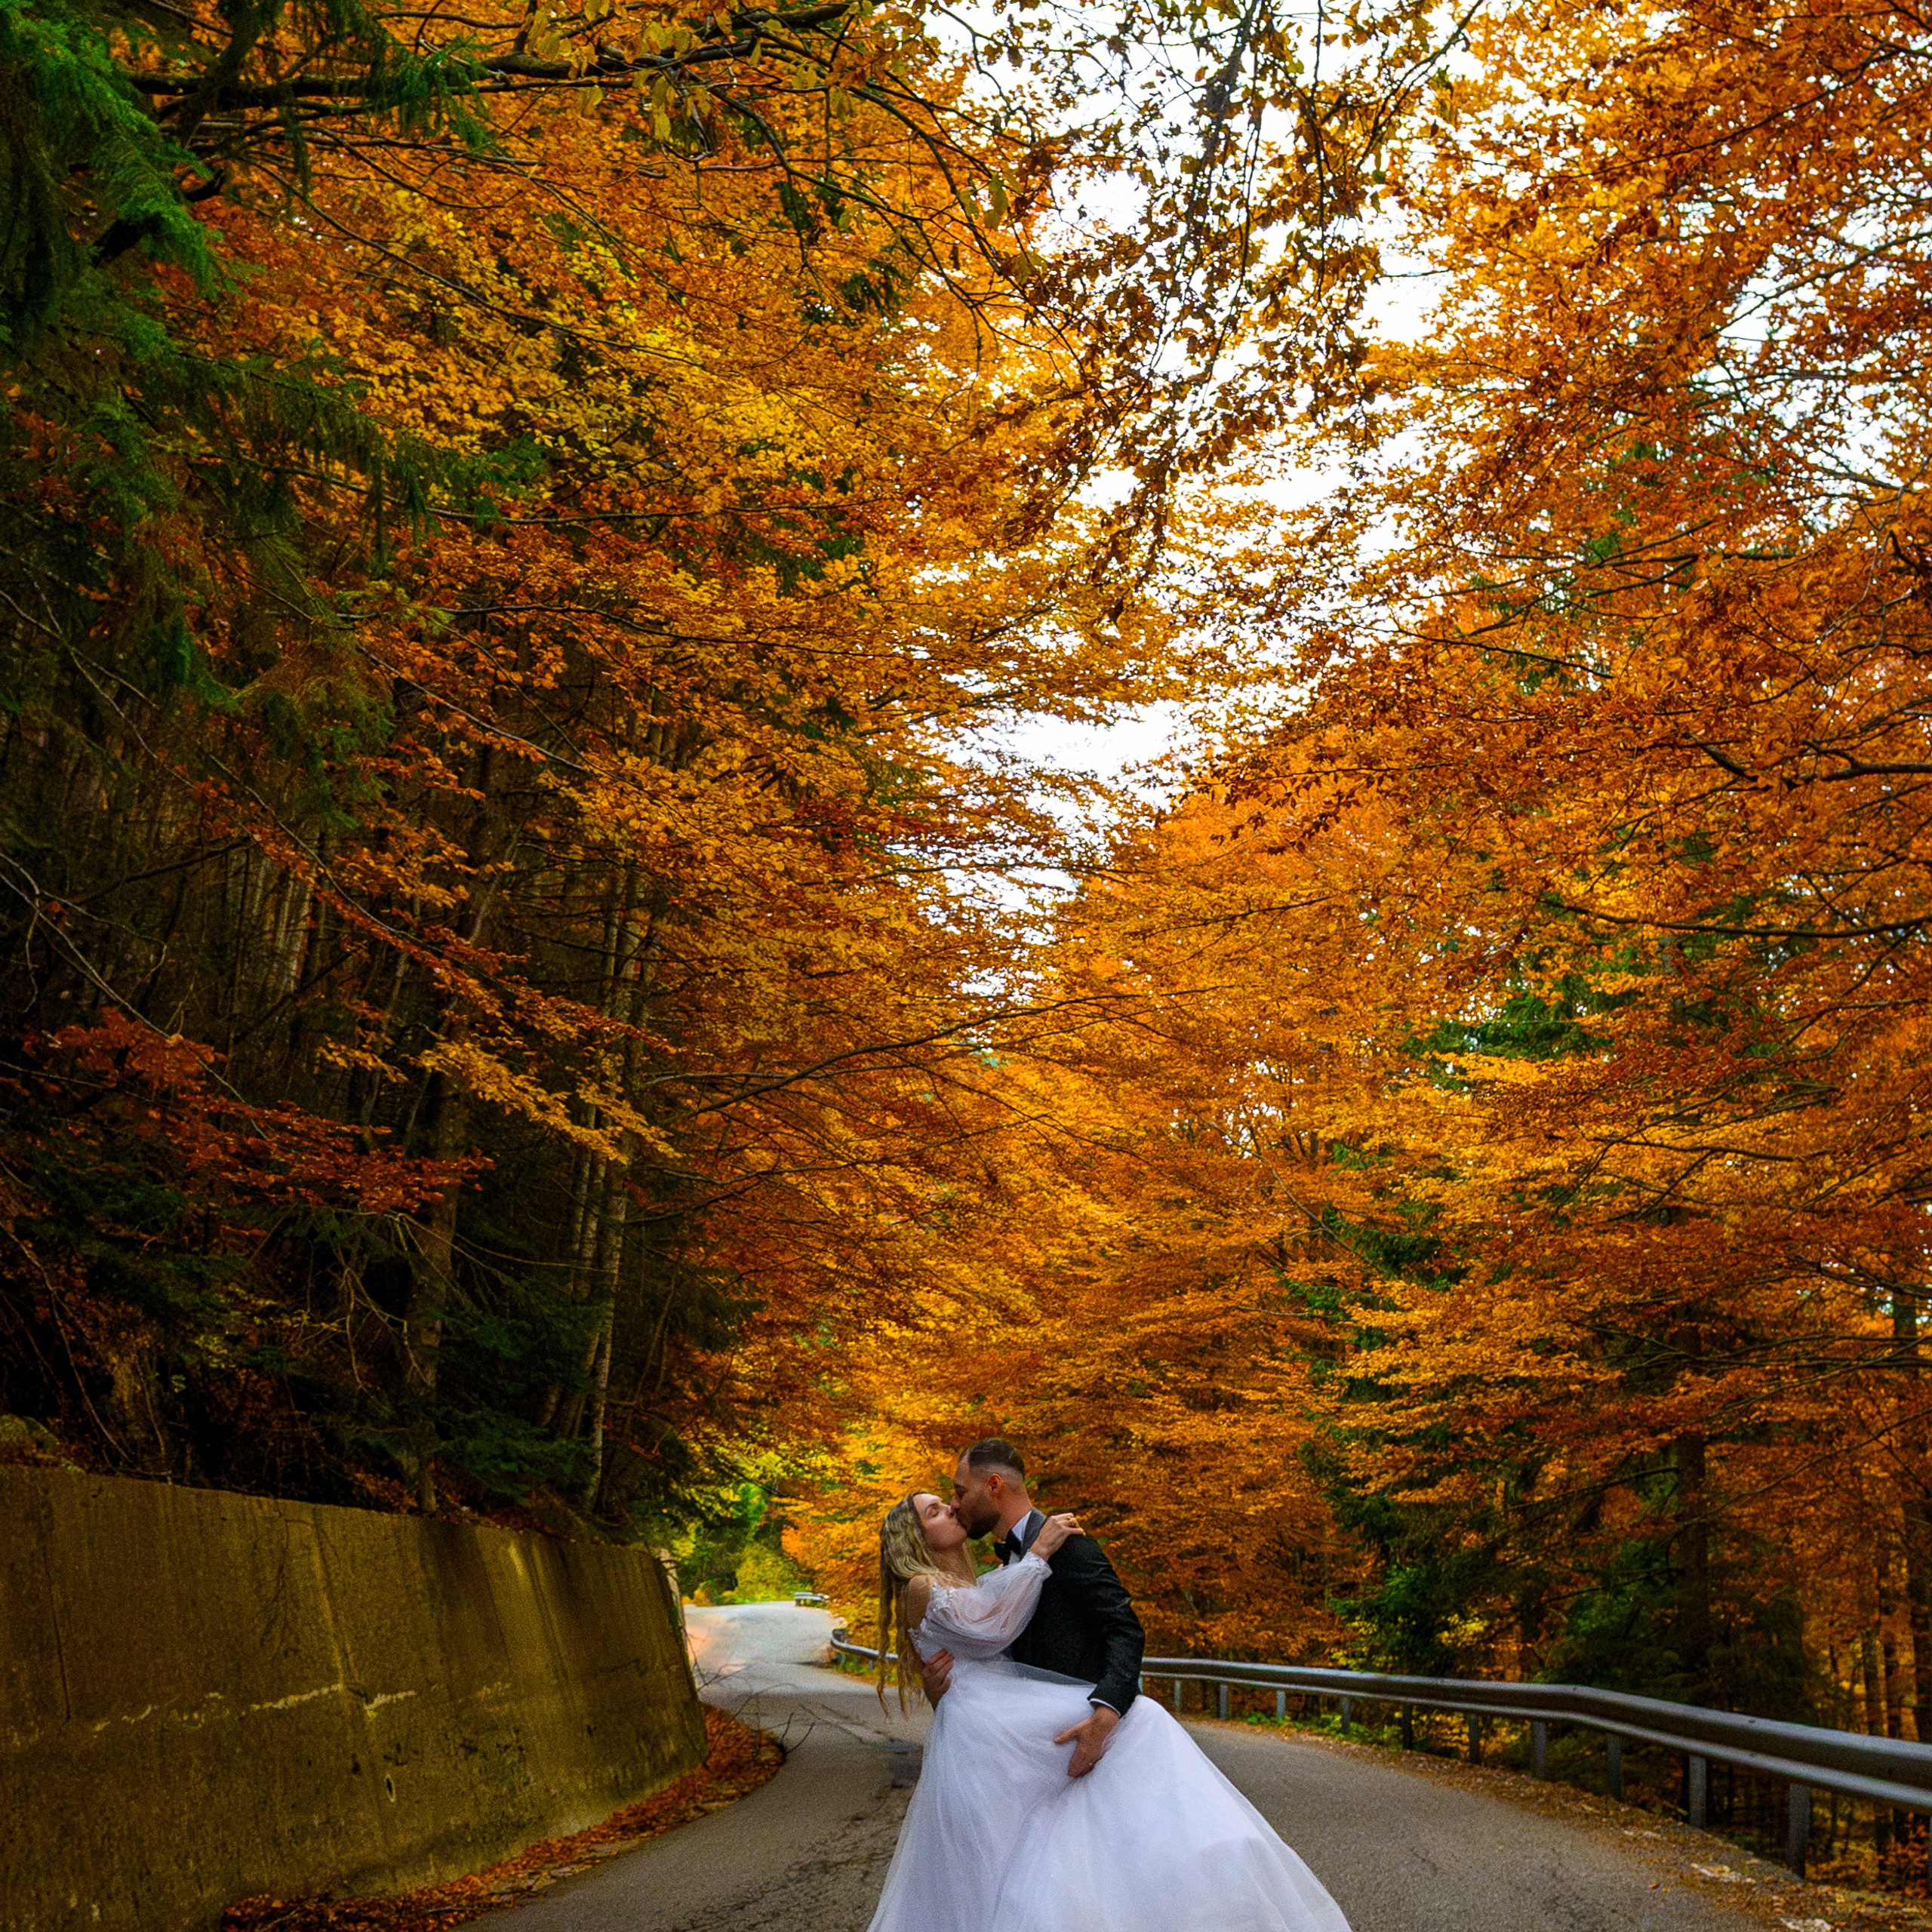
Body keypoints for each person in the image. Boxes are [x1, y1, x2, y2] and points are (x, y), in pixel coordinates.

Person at [863, 1439, 1353, 1932]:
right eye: (941, 1505)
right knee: (1002, 1867)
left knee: (1124, 1768)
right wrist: (937, 1683)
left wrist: (1108, 1709)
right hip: (1007, 1732)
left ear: (993, 1486)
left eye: (957, 1492)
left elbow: (1125, 1629)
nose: (954, 1504)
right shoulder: (998, 1568)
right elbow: (987, 1634)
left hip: (1048, 1717)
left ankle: (1217, 1877)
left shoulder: (1066, 1547)